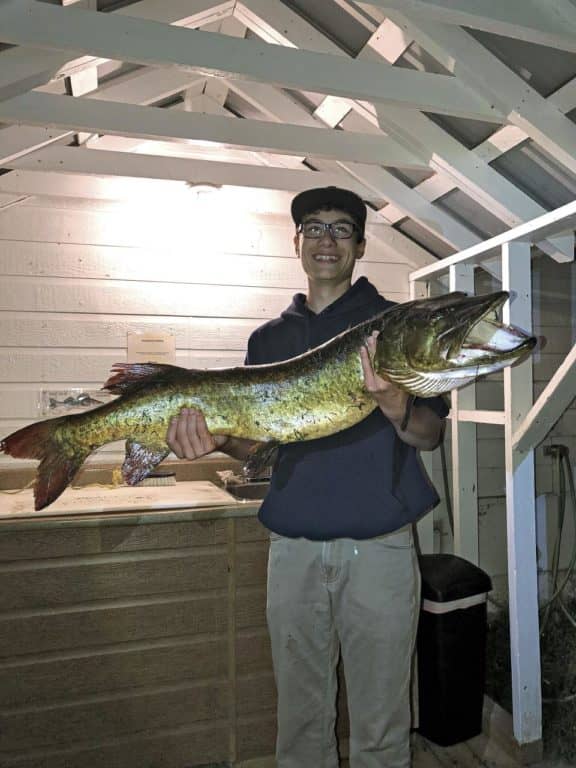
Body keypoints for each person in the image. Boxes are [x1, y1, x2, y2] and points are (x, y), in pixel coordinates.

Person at [166, 186, 449, 768]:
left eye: (341, 229)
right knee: (300, 722)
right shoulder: (268, 340)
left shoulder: (395, 327)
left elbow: (430, 434)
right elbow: (259, 444)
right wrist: (214, 439)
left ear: (361, 245)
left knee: (381, 723)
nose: (326, 240)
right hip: (291, 551)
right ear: (296, 242)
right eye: (314, 228)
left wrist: (396, 404)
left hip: (380, 551)